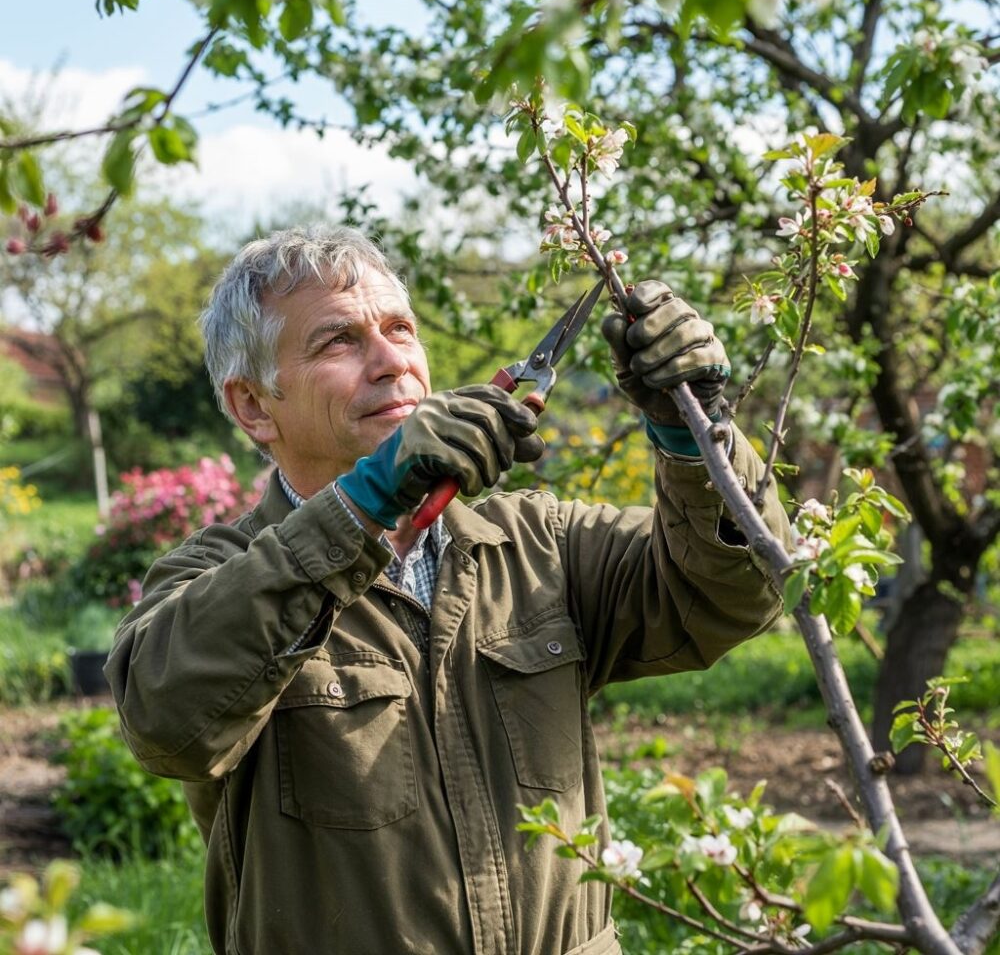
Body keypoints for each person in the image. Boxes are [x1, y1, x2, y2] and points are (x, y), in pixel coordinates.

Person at [105, 225, 790, 955]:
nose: (391, 361)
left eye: (400, 329)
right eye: (338, 341)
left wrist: (694, 430)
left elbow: (732, 593)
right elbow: (166, 721)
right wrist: (363, 505)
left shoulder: (539, 543)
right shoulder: (213, 576)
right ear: (252, 406)